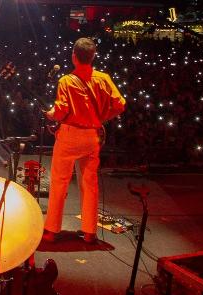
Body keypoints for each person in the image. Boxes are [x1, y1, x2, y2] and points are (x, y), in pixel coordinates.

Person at [43, 37, 126, 243]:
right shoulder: (104, 78)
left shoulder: (66, 81)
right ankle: (89, 232)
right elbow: (120, 104)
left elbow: (61, 111)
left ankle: (52, 230)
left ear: (74, 56)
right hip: (92, 136)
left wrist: (51, 114)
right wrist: (101, 118)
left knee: (59, 182)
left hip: (69, 135)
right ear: (93, 56)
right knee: (90, 184)